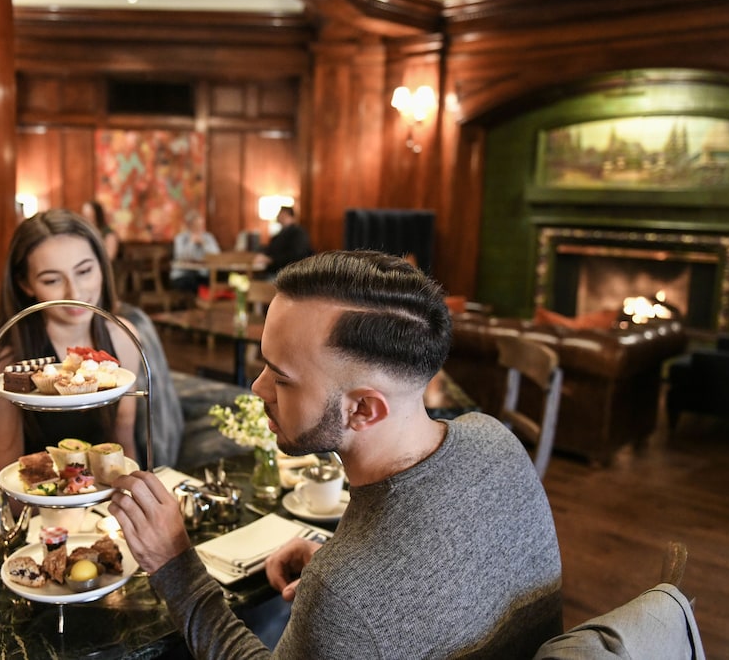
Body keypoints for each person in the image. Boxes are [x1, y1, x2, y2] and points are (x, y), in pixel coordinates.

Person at [108, 250, 563, 659]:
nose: (258, 388)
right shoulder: (494, 439)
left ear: (363, 409)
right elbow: (454, 573)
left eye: (281, 378)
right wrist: (335, 563)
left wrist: (175, 565)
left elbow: (371, 593)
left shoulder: (344, 595)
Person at [0, 208, 140, 481]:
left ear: (102, 265)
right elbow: (1, 475)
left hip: (107, 501)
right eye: (52, 280)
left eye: (84, 271)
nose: (75, 292)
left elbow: (124, 444)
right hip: (39, 503)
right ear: (25, 284)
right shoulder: (8, 361)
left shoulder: (123, 337)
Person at [170, 210, 221, 294]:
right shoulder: (180, 238)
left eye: (201, 225)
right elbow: (181, 257)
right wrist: (191, 243)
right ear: (189, 225)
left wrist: (204, 244)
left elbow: (217, 255)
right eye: (196, 225)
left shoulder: (208, 237)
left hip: (203, 273)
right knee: (193, 282)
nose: (199, 228)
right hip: (183, 275)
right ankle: (202, 299)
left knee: (218, 279)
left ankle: (209, 299)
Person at [255, 205, 313, 276]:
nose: (278, 216)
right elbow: (271, 249)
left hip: (289, 274)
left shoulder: (298, 232)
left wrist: (271, 260)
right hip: (276, 271)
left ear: (288, 215)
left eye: (280, 213)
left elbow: (297, 256)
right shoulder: (279, 234)